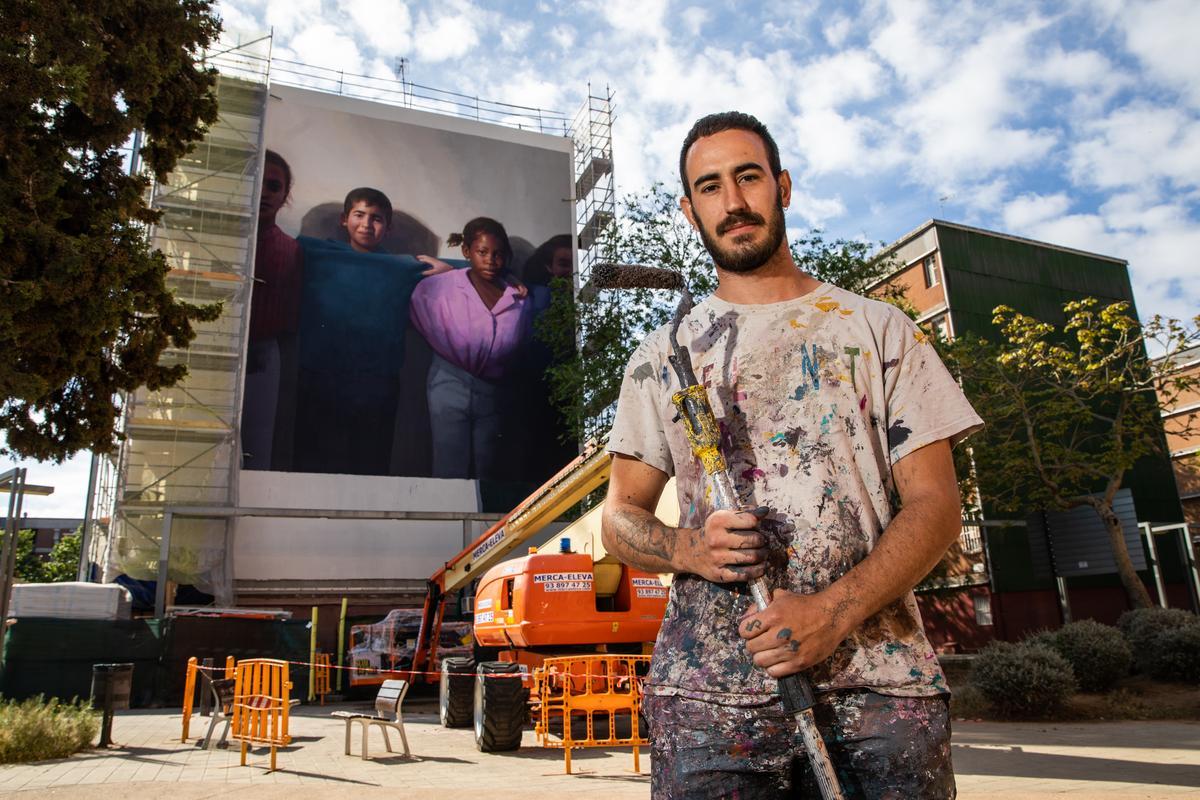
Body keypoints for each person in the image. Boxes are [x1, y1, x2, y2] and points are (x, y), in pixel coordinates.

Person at [600, 112, 983, 798]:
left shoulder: (877, 328)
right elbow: (619, 520)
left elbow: (937, 504)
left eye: (748, 177)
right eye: (710, 187)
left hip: (881, 690)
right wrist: (690, 548)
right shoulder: (662, 356)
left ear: (781, 186)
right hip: (711, 702)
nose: (734, 201)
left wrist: (834, 611)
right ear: (691, 211)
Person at [409, 217, 533, 479]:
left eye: (498, 254)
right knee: (449, 462)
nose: (490, 260)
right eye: (482, 252)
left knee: (487, 465)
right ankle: (447, 519)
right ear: (467, 251)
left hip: (493, 390)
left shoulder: (518, 298)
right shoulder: (438, 288)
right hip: (449, 383)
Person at [243, 149, 303, 470]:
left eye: (274, 186)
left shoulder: (292, 250)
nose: (265, 193)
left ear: (285, 196)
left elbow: (291, 315)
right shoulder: (219, 238)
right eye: (257, 181)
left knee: (257, 446)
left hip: (265, 356)